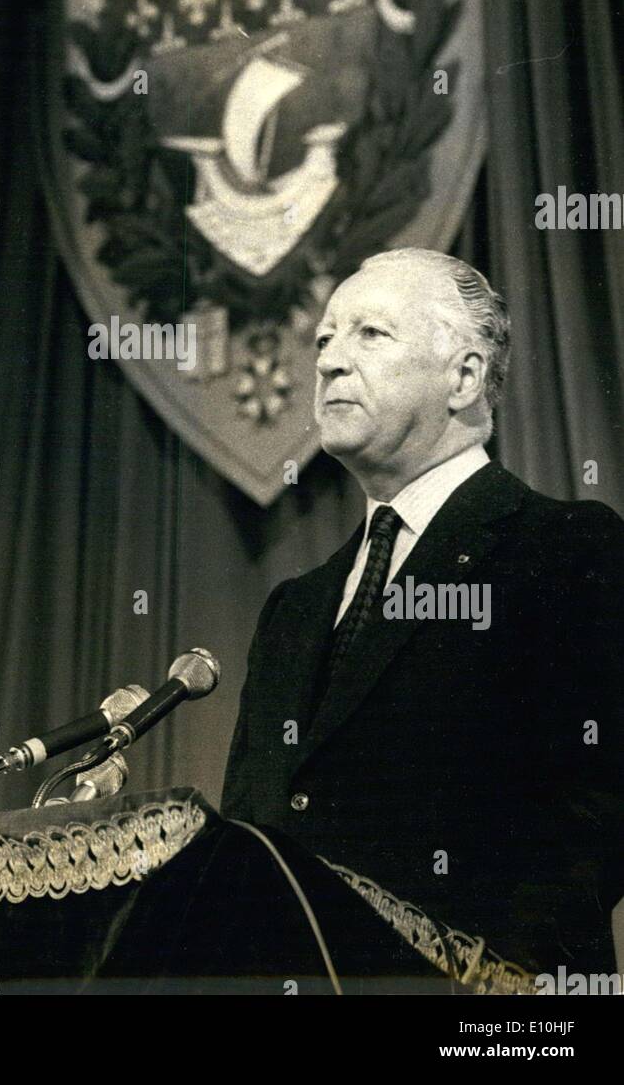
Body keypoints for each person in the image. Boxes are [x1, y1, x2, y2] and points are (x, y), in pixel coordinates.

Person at [222, 248, 624, 983]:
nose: (329, 362)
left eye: (369, 334)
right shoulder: (292, 609)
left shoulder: (566, 549)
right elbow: (253, 833)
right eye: (323, 339)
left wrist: (471, 970)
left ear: (464, 378)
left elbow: (604, 803)